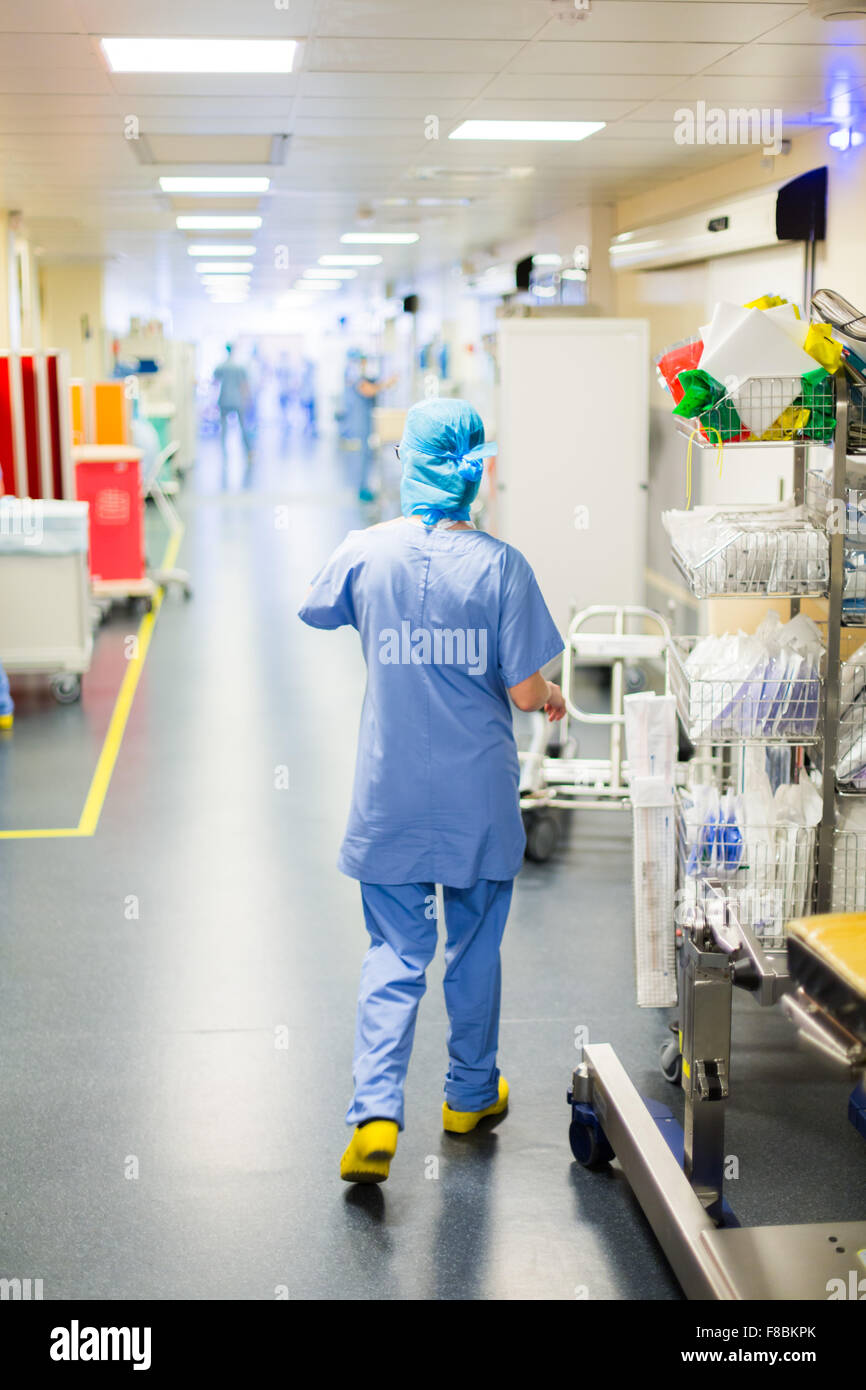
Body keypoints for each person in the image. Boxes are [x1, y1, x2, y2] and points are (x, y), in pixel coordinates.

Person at [298, 398, 565, 1184]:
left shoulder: (366, 552)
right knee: (473, 948)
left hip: (391, 797)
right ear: (478, 472)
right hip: (476, 800)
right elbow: (522, 691)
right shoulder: (502, 566)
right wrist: (547, 692)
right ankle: (469, 1096)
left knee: (395, 951)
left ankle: (376, 1113)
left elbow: (317, 604)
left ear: (406, 465)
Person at [353, 354, 397, 502]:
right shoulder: (355, 375)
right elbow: (368, 390)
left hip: (365, 421)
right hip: (360, 421)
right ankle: (362, 489)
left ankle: (365, 487)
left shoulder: (363, 376)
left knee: (367, 455)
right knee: (362, 456)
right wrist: (386, 384)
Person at [213, 344, 254, 463]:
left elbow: (214, 382)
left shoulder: (221, 367)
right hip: (237, 400)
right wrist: (247, 400)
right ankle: (249, 452)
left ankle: (224, 454)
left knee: (224, 428)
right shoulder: (239, 367)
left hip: (224, 400)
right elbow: (244, 385)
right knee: (243, 427)